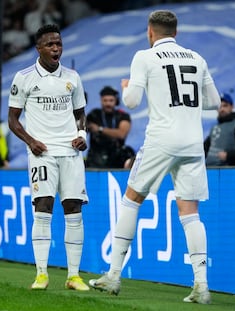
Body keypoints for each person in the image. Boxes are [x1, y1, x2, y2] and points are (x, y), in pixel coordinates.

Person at [89, 10, 220, 304]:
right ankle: (201, 286)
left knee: (131, 199)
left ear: (150, 32)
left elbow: (132, 102)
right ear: (176, 31)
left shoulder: (144, 57)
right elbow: (214, 102)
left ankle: (113, 275)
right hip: (192, 143)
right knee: (190, 213)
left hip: (162, 139)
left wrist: (126, 88)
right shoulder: (196, 58)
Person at [8, 24, 89, 291]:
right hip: (42, 152)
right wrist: (31, 142)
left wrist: (81, 134)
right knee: (43, 206)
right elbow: (12, 120)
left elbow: (80, 112)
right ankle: (41, 273)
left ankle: (74, 276)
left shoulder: (73, 77)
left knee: (74, 210)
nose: (56, 49)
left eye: (59, 44)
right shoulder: (24, 77)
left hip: (70, 152)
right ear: (39, 48)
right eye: (50, 45)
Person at [85, 85, 134, 168]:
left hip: (117, 156)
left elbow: (122, 134)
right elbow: (83, 129)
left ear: (116, 101)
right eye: (105, 100)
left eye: (111, 100)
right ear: (101, 100)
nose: (108, 103)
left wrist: (99, 129)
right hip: (96, 156)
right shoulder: (94, 114)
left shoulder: (123, 116)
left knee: (129, 153)